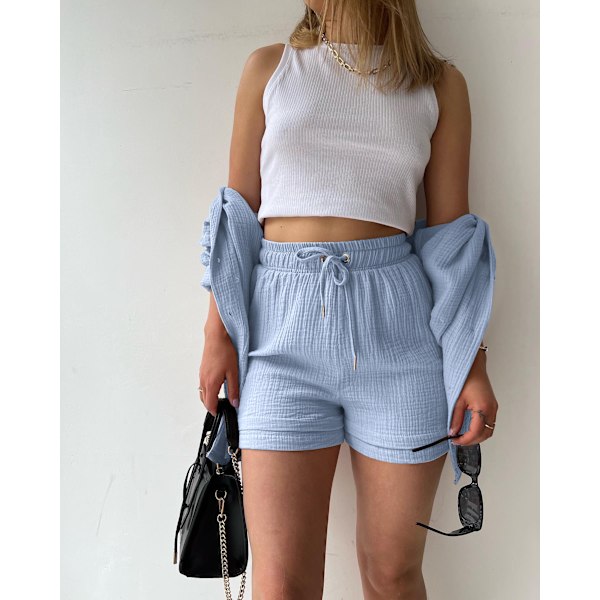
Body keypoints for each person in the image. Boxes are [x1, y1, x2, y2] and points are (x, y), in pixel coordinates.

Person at [199, 1, 499, 598]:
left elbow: (450, 241)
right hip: (280, 339)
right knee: (281, 585)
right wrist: (217, 332)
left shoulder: (440, 85)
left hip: (401, 339)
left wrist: (472, 362)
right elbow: (238, 218)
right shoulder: (270, 69)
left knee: (393, 574)